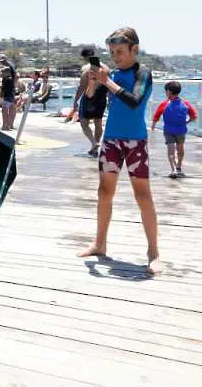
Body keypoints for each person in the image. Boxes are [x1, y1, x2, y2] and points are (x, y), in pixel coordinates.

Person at [78, 27, 161, 275]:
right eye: (112, 52)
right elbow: (92, 100)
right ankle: (99, 244)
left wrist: (107, 81)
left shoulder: (142, 73)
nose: (115, 57)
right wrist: (93, 84)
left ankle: (153, 252)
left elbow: (135, 101)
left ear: (134, 50)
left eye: (120, 52)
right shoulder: (111, 73)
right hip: (112, 140)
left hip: (135, 142)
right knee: (104, 192)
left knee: (142, 195)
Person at [151, 81, 198, 179]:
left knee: (171, 150)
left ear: (169, 91)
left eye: (166, 91)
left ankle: (173, 169)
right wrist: (187, 122)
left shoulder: (164, 104)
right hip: (181, 130)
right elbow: (194, 116)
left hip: (169, 131)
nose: (166, 93)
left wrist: (153, 126)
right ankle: (178, 167)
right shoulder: (185, 103)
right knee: (179, 149)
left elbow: (156, 116)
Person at [68, 48, 109, 156]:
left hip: (89, 97)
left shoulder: (86, 68)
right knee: (98, 122)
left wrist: (75, 101)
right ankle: (95, 148)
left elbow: (81, 87)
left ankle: (94, 142)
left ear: (85, 57)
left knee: (84, 122)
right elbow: (108, 85)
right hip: (101, 97)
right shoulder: (106, 67)